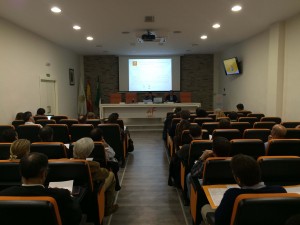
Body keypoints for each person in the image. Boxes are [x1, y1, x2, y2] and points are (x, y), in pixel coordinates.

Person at [201, 154, 286, 225]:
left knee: (205, 208)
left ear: (238, 179)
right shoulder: (280, 191)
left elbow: (219, 220)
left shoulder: (232, 195)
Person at [0, 152, 82, 225]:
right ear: (43, 173)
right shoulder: (61, 195)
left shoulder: (3, 195)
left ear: (21, 172)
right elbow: (76, 218)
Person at [73, 137, 118, 216]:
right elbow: (105, 173)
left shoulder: (66, 162)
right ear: (89, 152)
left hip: (75, 190)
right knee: (111, 175)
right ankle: (108, 208)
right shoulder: (93, 166)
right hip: (91, 192)